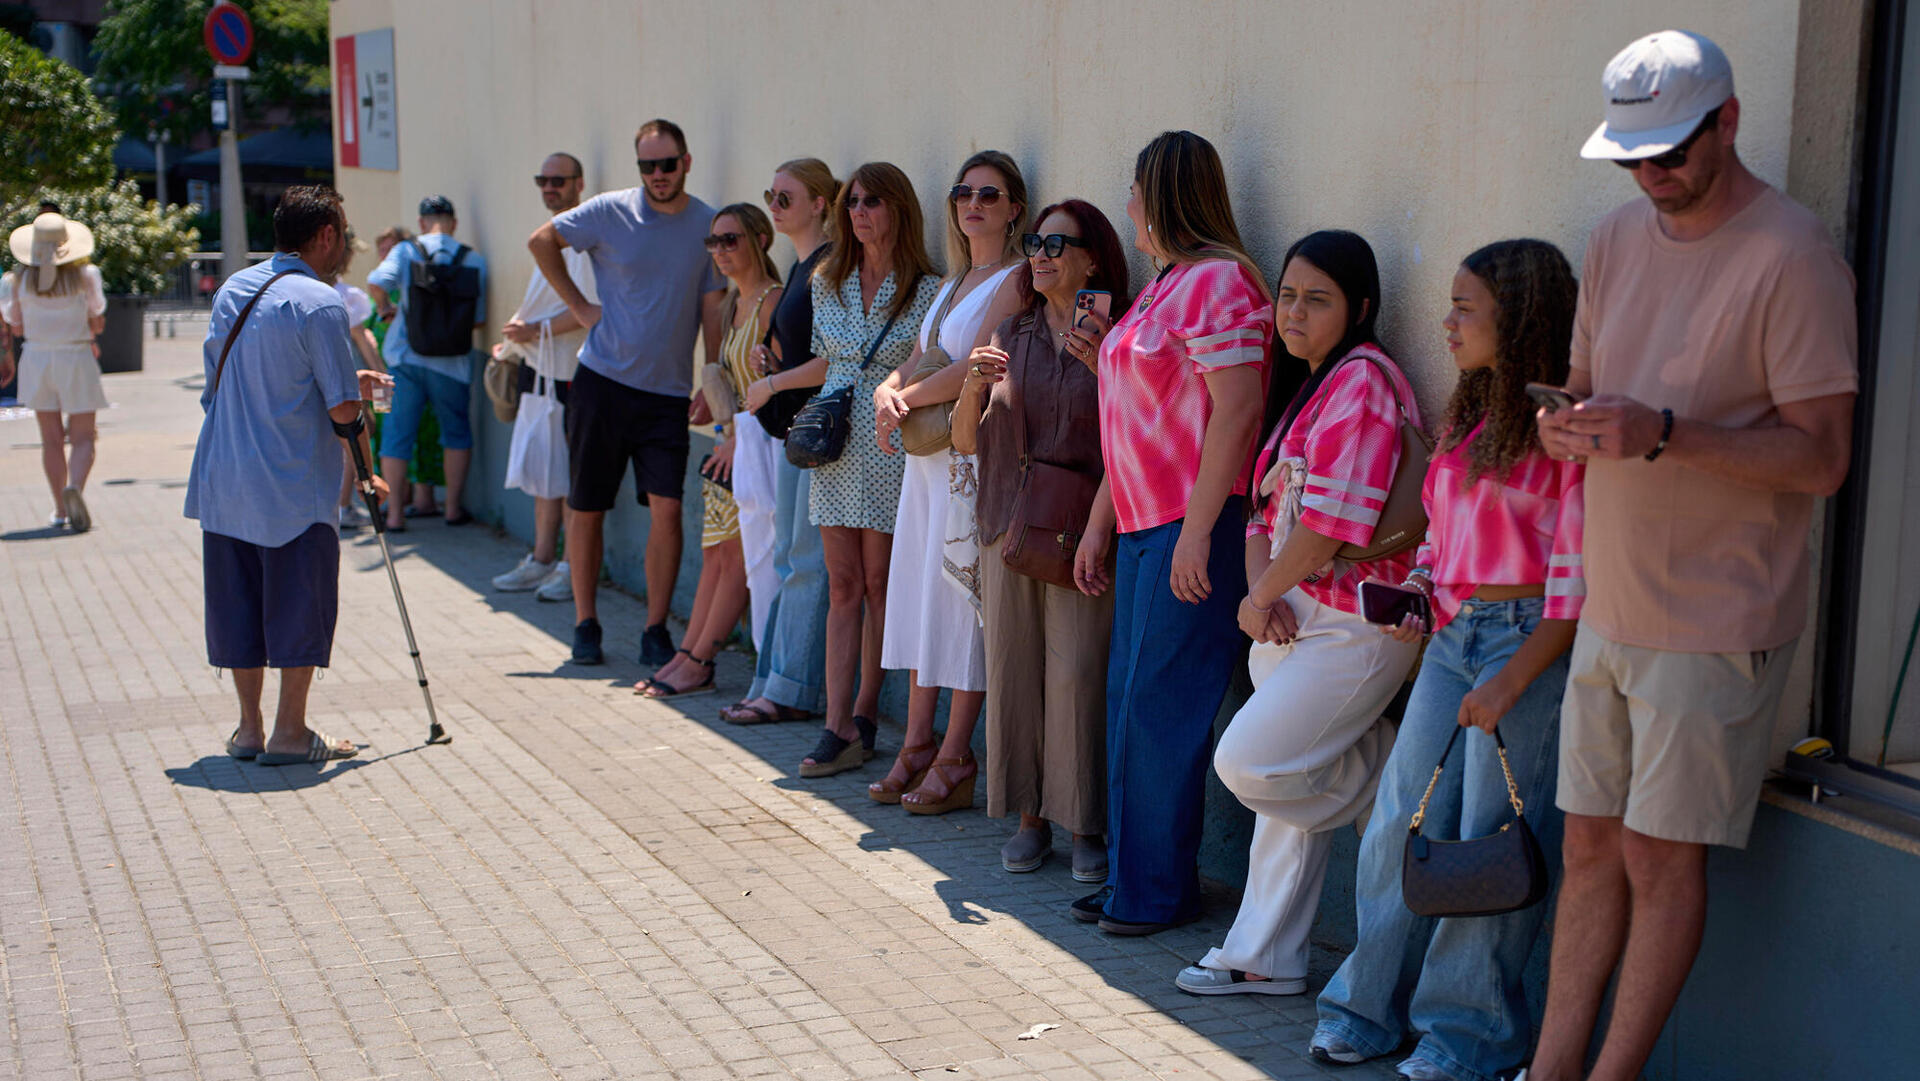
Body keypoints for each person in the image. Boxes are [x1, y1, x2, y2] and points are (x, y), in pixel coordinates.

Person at [1519, 31, 1857, 1081]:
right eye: (1632, 155)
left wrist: (1664, 432)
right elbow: (1582, 385)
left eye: (1669, 149)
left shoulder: (1794, 256)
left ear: (1731, 121)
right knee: (1586, 849)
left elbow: (1825, 458)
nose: (1650, 172)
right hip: (1611, 603)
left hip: (1718, 618)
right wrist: (1562, 426)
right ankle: (1551, 1069)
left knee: (1661, 863)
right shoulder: (1618, 238)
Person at [1312, 239, 1583, 1081]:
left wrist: (1515, 673)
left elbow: (1579, 577)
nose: (1448, 322)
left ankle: (1469, 1038)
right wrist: (1422, 593)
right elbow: (1439, 531)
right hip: (1453, 638)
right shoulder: (1468, 412)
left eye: (1466, 308)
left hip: (1525, 640)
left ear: (1522, 317)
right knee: (1400, 818)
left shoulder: (1564, 425)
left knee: (1487, 837)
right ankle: (1364, 1010)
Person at [1177, 230, 1424, 993]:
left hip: (1354, 621)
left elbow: (1329, 527)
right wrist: (1263, 591)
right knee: (1281, 805)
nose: (1294, 311)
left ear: (1361, 306)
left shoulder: (1366, 382)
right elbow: (1262, 515)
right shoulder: (1308, 386)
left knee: (1248, 761)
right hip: (1291, 612)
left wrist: (1258, 596)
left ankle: (1383, 780)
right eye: (1287, 294)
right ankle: (1266, 957)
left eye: (1318, 298)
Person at [1074, 131, 1274, 935]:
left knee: (1160, 710)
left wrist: (1196, 535)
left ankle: (1152, 891)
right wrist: (1104, 522)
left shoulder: (1221, 283)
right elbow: (1143, 412)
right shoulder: (1167, 286)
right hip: (1142, 524)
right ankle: (1139, 875)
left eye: (1135, 188)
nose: (1127, 204)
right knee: (1132, 705)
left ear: (1164, 195)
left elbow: (1237, 410)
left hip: (1193, 525)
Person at [950, 199, 1128, 875]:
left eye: (1060, 241)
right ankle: (1029, 815)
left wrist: (1108, 364)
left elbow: (1135, 433)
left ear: (1093, 257)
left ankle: (1084, 824)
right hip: (1008, 520)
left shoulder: (1120, 333)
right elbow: (966, 439)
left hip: (1084, 527)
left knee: (1079, 673)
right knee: (1014, 669)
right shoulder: (1011, 331)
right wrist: (971, 384)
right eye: (1035, 241)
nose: (1043, 252)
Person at [183, 185, 390, 765]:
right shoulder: (322, 302)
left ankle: (248, 730)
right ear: (326, 236)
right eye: (344, 234)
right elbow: (342, 413)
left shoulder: (233, 288)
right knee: (300, 603)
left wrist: (346, 382)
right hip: (293, 486)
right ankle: (290, 733)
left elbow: (229, 379)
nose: (345, 245)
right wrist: (369, 477)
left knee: (237, 604)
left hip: (225, 477)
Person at [864, 151, 1029, 813]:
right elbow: (914, 357)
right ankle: (916, 740)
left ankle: (958, 751)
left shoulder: (1014, 280)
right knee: (920, 594)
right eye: (964, 192)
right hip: (924, 464)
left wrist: (905, 400)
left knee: (961, 598)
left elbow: (975, 366)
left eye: (989, 194)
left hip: (968, 461)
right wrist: (885, 391)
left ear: (1014, 207)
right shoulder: (952, 282)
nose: (973, 204)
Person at [529, 118, 728, 668]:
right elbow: (542, 240)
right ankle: (585, 623)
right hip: (602, 384)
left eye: (668, 164)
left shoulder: (707, 224)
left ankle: (655, 628)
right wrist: (578, 308)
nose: (658, 175)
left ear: (686, 162)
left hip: (666, 395)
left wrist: (712, 378)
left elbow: (713, 305)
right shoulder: (609, 210)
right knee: (586, 506)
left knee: (667, 509)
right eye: (647, 166)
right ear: (637, 167)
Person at [793, 162, 943, 778]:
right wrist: (775, 381)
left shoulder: (929, 288)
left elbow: (927, 364)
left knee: (881, 582)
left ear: (899, 209)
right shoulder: (826, 281)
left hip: (887, 442)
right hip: (835, 441)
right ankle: (835, 724)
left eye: (872, 201)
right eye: (852, 201)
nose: (858, 211)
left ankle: (864, 713)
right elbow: (826, 362)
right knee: (842, 583)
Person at [637, 204, 783, 698]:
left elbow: (774, 387)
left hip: (756, 451)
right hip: (727, 449)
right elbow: (732, 376)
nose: (720, 251)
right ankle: (687, 653)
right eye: (713, 242)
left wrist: (738, 437)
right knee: (716, 557)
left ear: (761, 240)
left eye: (731, 240)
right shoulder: (728, 305)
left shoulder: (772, 301)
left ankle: (701, 660)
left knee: (739, 559)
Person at [722, 158, 838, 725]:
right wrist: (775, 361)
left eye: (785, 197)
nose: (774, 204)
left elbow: (835, 361)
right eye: (770, 194)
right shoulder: (800, 266)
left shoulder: (829, 266)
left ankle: (788, 690)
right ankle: (774, 682)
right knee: (795, 561)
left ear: (820, 203)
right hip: (794, 432)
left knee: (805, 563)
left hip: (819, 435)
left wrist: (772, 380)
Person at [491, 152, 598, 598]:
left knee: (573, 478)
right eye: (543, 180)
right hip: (539, 368)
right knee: (542, 473)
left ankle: (573, 567)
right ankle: (541, 558)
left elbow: (590, 310)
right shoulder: (547, 237)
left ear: (579, 183)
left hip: (573, 372)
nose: (549, 187)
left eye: (558, 180)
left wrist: (534, 329)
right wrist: (519, 338)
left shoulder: (585, 240)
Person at [366, 195, 488, 531]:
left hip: (405, 358)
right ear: (454, 222)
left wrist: (386, 309)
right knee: (456, 433)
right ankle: (451, 509)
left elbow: (377, 282)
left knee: (396, 435)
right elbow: (477, 320)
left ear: (421, 223)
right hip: (453, 364)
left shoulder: (406, 251)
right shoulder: (474, 259)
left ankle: (394, 515)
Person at [2, 211, 107, 532]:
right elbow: (98, 321)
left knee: (50, 440)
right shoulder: (86, 275)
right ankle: (74, 485)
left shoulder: (15, 280)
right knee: (84, 437)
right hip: (76, 355)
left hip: (36, 358)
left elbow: (16, 328)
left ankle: (60, 511)